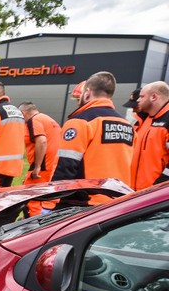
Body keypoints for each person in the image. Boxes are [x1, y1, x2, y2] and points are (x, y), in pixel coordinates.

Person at [53, 71, 134, 205]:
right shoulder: (127, 126)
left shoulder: (80, 121)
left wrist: (50, 202)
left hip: (83, 202)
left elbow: (65, 166)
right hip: (118, 202)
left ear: (87, 93)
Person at [19, 101, 61, 216]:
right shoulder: (48, 119)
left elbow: (41, 141)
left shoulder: (34, 120)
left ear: (24, 113)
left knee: (32, 200)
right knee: (45, 200)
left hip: (43, 167)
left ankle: (33, 227)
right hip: (53, 166)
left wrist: (37, 167)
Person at [130, 81, 169, 190]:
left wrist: (158, 187)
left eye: (142, 96)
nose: (138, 100)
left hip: (155, 196)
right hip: (134, 192)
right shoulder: (145, 119)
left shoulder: (166, 121)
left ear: (154, 97)